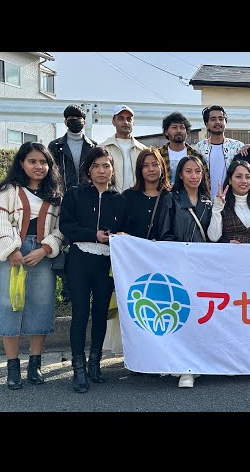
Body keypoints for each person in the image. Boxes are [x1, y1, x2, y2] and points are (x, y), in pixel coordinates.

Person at [0, 142, 64, 389]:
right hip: (13, 253)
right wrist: (11, 251)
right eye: (33, 161)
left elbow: (60, 229)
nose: (38, 166)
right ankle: (12, 368)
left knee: (40, 306)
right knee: (9, 305)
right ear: (22, 163)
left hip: (41, 255)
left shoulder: (55, 195)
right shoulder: (9, 191)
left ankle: (35, 364)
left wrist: (45, 249)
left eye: (43, 162)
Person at [59, 147, 127, 393]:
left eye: (106, 166)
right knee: (79, 314)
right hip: (79, 259)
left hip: (106, 262)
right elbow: (66, 226)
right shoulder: (75, 194)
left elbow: (126, 231)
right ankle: (78, 368)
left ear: (112, 170)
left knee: (100, 313)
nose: (102, 171)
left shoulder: (119, 199)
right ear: (88, 169)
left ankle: (95, 364)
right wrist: (93, 234)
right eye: (97, 166)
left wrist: (117, 236)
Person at [103, 148, 175, 356]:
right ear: (139, 170)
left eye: (155, 164)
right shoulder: (128, 197)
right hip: (135, 265)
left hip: (165, 263)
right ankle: (138, 356)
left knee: (163, 309)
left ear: (162, 167)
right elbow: (119, 229)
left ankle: (161, 355)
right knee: (139, 310)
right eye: (146, 165)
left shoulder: (172, 197)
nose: (151, 169)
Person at [170, 154, 212, 388]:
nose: (194, 176)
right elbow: (166, 233)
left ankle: (198, 362)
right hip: (179, 265)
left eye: (198, 171)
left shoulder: (209, 202)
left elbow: (215, 236)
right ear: (180, 174)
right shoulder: (172, 199)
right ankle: (183, 366)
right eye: (188, 171)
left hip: (203, 267)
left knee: (200, 316)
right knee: (182, 314)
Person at [48, 104, 97, 305]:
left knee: (83, 243)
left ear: (85, 121)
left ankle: (85, 287)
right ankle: (66, 286)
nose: (75, 120)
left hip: (85, 201)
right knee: (62, 243)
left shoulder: (93, 146)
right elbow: (50, 173)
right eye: (71, 117)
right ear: (65, 120)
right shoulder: (55, 146)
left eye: (79, 117)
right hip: (62, 200)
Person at [194, 105, 244, 200]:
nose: (217, 122)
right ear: (207, 124)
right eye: (213, 119)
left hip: (230, 201)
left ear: (226, 122)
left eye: (221, 119)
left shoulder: (238, 146)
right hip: (205, 200)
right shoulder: (199, 148)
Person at [208, 160, 250, 244]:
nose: (244, 181)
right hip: (227, 255)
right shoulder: (220, 204)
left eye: (248, 177)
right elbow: (213, 237)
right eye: (238, 176)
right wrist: (217, 208)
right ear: (230, 180)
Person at [98, 104, 148, 191]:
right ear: (113, 122)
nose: (125, 122)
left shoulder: (143, 150)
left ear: (133, 123)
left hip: (136, 200)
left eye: (129, 119)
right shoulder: (102, 148)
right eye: (121, 118)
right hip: (110, 200)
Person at [155, 111, 206, 185]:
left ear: (186, 131)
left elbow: (204, 181)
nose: (179, 130)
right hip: (163, 195)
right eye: (174, 127)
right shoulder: (158, 155)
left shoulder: (196, 156)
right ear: (166, 132)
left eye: (182, 127)